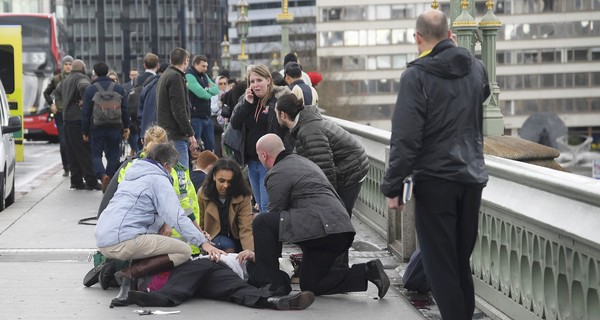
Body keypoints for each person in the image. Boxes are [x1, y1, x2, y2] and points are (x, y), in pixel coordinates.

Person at [381, 9, 490, 320]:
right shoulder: (476, 69)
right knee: (458, 262)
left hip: (435, 180)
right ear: (451, 35)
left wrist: (393, 186)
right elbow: (480, 96)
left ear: (418, 38)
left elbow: (406, 138)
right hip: (471, 178)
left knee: (440, 266)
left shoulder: (416, 76)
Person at [246, 133, 389, 299]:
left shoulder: (277, 172)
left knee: (261, 221)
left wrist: (263, 258)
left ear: (263, 155)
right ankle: (367, 271)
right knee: (311, 284)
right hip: (340, 232)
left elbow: (274, 219)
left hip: (322, 229)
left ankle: (271, 285)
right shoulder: (304, 162)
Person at [95, 142, 225, 307]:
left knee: (153, 240)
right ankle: (128, 274)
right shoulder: (158, 179)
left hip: (104, 238)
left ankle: (115, 268)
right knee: (183, 250)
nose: (171, 171)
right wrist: (203, 243)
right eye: (171, 167)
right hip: (124, 240)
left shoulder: (134, 174)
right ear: (165, 165)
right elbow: (176, 215)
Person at [275, 92, 369, 267]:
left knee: (339, 220)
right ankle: (335, 266)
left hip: (352, 170)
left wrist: (328, 203)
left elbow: (325, 170)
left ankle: (339, 268)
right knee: (337, 218)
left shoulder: (309, 131)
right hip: (347, 166)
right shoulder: (304, 124)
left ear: (282, 114)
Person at [126, 256, 315, 310]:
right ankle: (272, 301)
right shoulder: (281, 258)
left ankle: (273, 301)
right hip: (211, 264)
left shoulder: (285, 268)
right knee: (236, 287)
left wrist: (256, 257)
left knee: (237, 288)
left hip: (221, 269)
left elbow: (279, 280)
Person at [229, 64, 292, 213]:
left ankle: (268, 236)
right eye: (252, 81)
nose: (255, 85)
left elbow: (290, 130)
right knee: (259, 203)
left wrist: (284, 157)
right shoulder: (247, 100)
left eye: (259, 80)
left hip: (270, 162)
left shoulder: (278, 100)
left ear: (268, 80)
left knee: (266, 207)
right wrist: (246, 104)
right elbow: (235, 123)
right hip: (252, 162)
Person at [81, 62, 131, 192]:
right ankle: (109, 182)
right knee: (113, 155)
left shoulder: (91, 89)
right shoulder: (118, 88)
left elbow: (86, 112)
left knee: (96, 154)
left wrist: (84, 131)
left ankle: (103, 176)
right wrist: (127, 127)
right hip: (115, 127)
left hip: (96, 128)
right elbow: (125, 110)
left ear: (95, 73)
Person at [60, 59, 101, 190]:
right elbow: (84, 86)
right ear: (83, 68)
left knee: (72, 152)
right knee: (84, 151)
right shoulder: (82, 78)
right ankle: (91, 181)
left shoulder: (65, 79)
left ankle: (76, 181)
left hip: (67, 119)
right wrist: (85, 100)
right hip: (78, 119)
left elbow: (56, 92)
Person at [198, 158, 254, 253]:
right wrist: (202, 244)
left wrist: (250, 252)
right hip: (213, 239)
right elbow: (201, 224)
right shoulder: (203, 194)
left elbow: (246, 227)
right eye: (221, 181)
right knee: (226, 244)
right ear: (214, 177)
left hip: (238, 239)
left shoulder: (244, 196)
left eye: (230, 182)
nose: (225, 186)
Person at [157, 47, 198, 169]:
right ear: (186, 61)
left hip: (166, 133)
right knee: (181, 175)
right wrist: (190, 134)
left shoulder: (165, 75)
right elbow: (179, 110)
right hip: (176, 136)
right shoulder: (176, 77)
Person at [43, 55, 73, 177]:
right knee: (63, 141)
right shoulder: (56, 79)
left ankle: (73, 165)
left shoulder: (76, 78)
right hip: (60, 113)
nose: (68, 66)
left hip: (72, 113)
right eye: (66, 64)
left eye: (70, 64)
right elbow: (46, 93)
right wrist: (51, 104)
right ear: (62, 66)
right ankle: (66, 167)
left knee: (73, 141)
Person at [186, 55, 219, 152]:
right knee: (195, 147)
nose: (205, 68)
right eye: (203, 66)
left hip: (206, 116)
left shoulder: (204, 75)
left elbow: (216, 90)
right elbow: (201, 94)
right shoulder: (189, 75)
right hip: (195, 116)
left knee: (210, 145)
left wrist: (206, 89)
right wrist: (208, 91)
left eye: (206, 66)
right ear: (195, 64)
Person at [139, 62, 168, 138]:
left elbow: (140, 110)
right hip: (161, 131)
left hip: (147, 130)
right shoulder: (167, 86)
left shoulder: (148, 85)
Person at [210, 75, 229, 157]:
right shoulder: (214, 95)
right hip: (217, 124)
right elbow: (212, 109)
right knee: (217, 147)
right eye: (220, 84)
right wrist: (219, 103)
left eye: (225, 83)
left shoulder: (229, 94)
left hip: (227, 123)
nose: (223, 86)